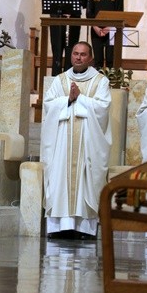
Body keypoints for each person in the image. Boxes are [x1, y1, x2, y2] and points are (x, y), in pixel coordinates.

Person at [41, 42, 111, 239]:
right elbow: (49, 105)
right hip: (62, 140)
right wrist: (68, 100)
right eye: (75, 54)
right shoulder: (60, 80)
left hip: (88, 141)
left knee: (85, 179)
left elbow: (103, 108)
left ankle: (84, 228)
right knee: (59, 177)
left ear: (90, 58)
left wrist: (80, 98)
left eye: (83, 54)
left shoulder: (100, 81)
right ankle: (59, 226)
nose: (79, 58)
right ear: (70, 56)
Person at [48, 0, 88, 75]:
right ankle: (55, 78)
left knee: (71, 50)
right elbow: (50, 1)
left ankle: (69, 77)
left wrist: (73, 7)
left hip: (73, 20)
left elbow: (84, 1)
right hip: (58, 21)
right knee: (57, 51)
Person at [87, 0, 124, 69]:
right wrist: (95, 27)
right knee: (97, 61)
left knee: (110, 60)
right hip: (96, 30)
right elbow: (89, 13)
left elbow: (119, 12)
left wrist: (110, 27)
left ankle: (110, 84)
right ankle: (98, 84)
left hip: (112, 30)